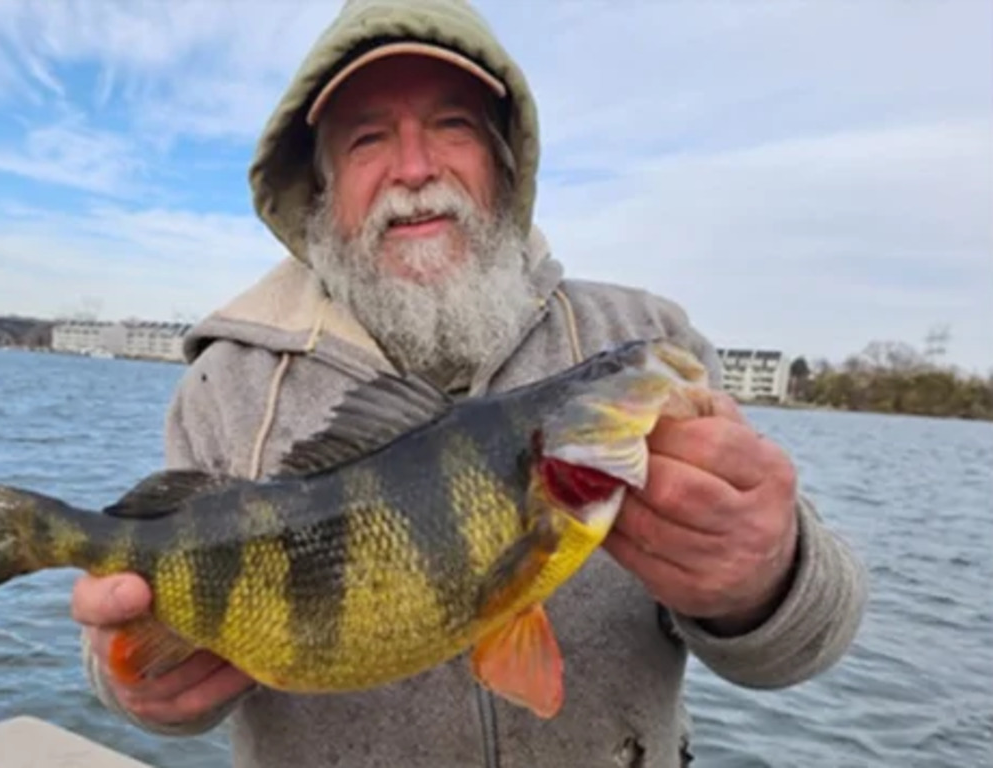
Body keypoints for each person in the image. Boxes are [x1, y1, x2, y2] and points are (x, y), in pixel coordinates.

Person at [71, 0, 869, 765]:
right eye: (367, 139)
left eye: (452, 124)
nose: (415, 169)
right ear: (321, 188)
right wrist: (134, 683)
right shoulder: (225, 386)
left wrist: (766, 576)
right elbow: (140, 642)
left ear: (503, 161)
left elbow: (811, 641)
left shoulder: (640, 341)